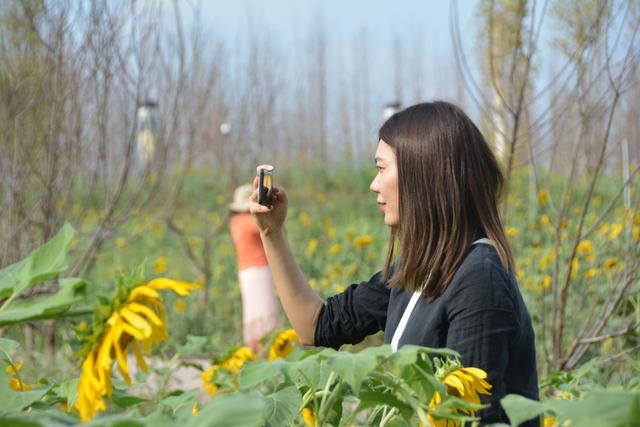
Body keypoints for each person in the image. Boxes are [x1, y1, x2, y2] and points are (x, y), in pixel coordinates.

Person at [249, 101, 539, 426]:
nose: (374, 184)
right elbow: (316, 326)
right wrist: (271, 232)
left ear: (424, 173)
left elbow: (470, 418)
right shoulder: (418, 270)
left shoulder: (479, 279)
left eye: (381, 167)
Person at [229, 184, 282, 353]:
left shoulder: (235, 222)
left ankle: (253, 348)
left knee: (253, 311)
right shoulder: (249, 221)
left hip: (245, 271)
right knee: (266, 308)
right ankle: (266, 347)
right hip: (260, 268)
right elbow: (271, 229)